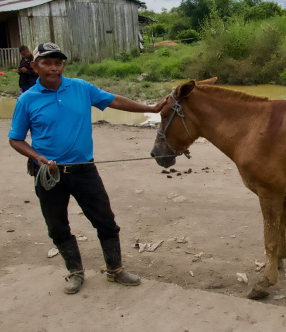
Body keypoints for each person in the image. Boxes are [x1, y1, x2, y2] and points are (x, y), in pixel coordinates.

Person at [8, 42, 167, 294]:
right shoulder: (27, 99)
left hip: (85, 171)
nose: (54, 68)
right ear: (35, 66)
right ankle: (75, 272)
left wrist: (151, 108)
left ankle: (115, 270)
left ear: (64, 65)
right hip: (49, 175)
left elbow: (114, 100)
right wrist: (37, 157)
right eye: (47, 63)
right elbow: (15, 139)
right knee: (57, 227)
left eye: (58, 62)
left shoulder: (81, 88)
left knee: (106, 221)